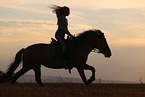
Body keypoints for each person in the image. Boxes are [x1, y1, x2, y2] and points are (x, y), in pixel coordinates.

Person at [50, 5, 74, 70]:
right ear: (64, 11)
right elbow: (63, 29)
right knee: (64, 46)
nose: (69, 13)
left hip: (62, 35)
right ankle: (62, 59)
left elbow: (65, 29)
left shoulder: (64, 18)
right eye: (68, 11)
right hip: (59, 35)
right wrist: (70, 35)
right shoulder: (62, 19)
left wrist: (69, 34)